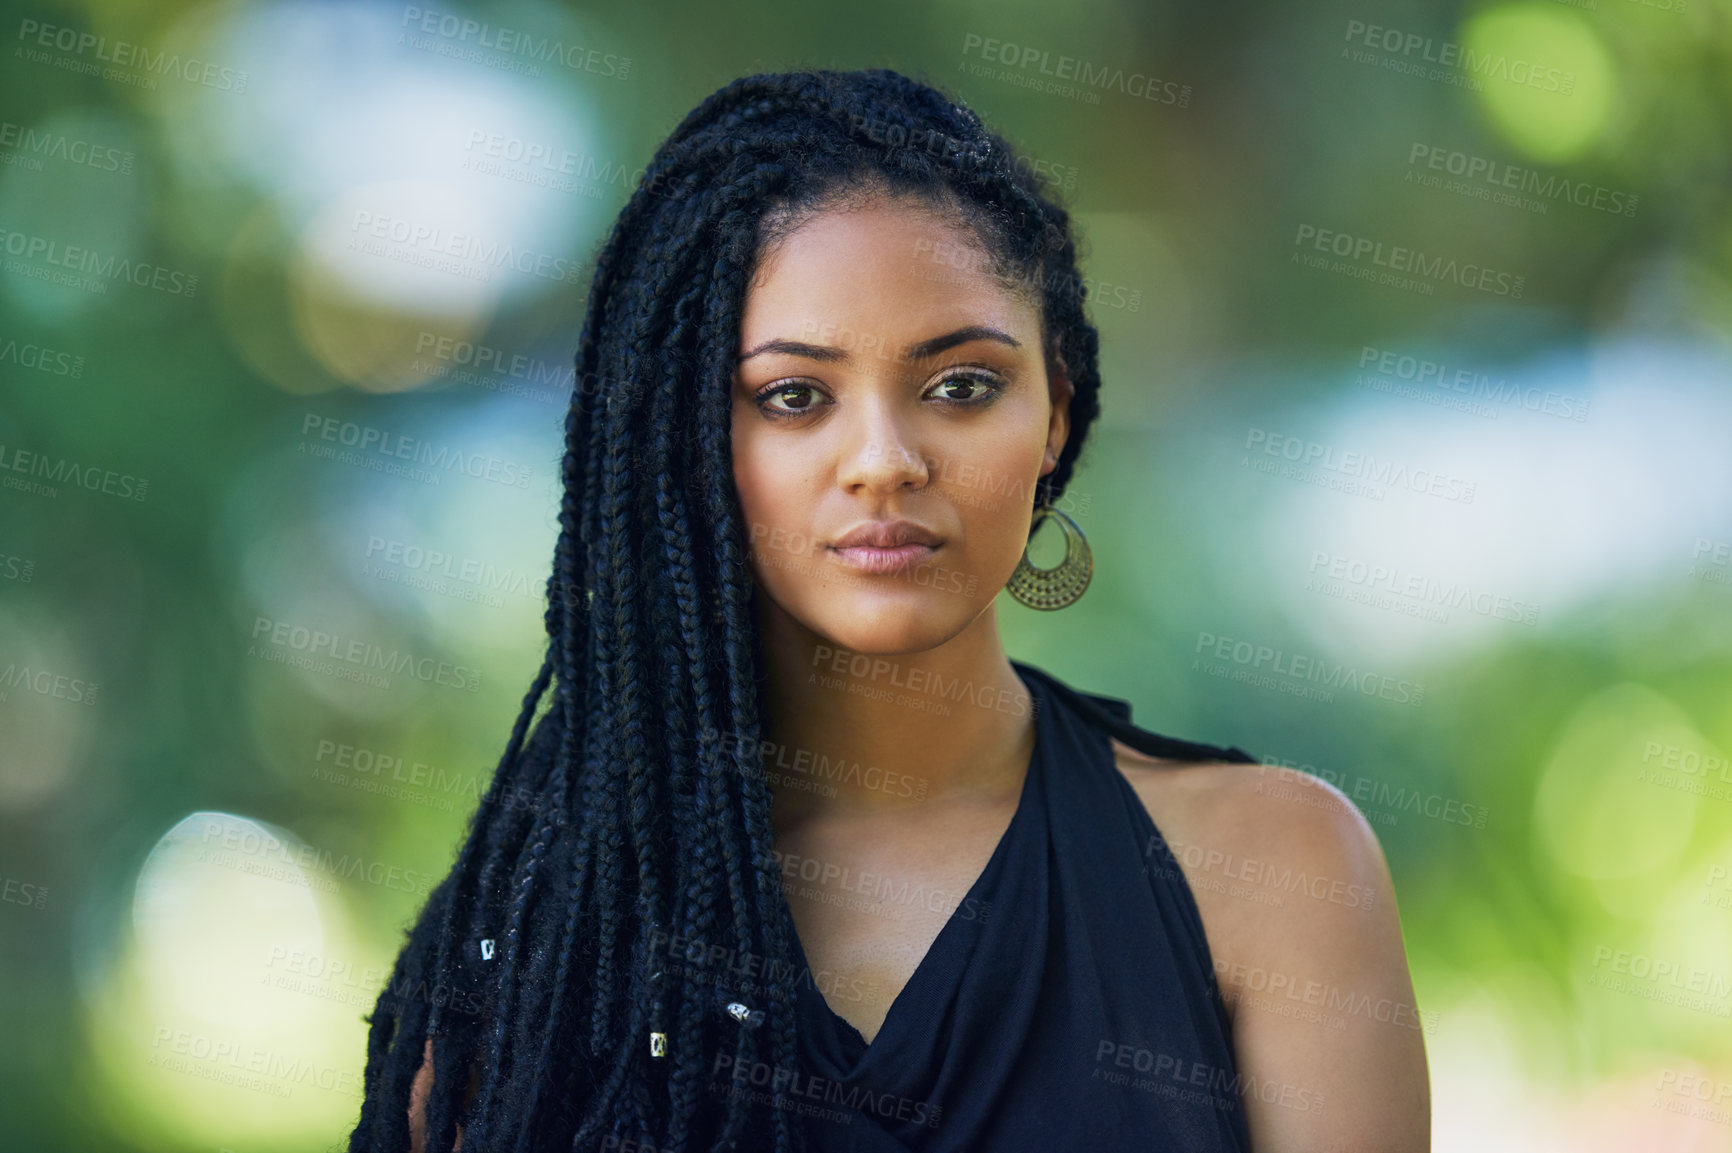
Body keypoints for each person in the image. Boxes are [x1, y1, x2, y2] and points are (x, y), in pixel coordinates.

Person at [348, 68, 1429, 1153]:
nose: (883, 461)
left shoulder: (1271, 870)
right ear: (688, 436)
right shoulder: (546, 940)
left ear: (1054, 410)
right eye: (793, 396)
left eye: (959, 384)